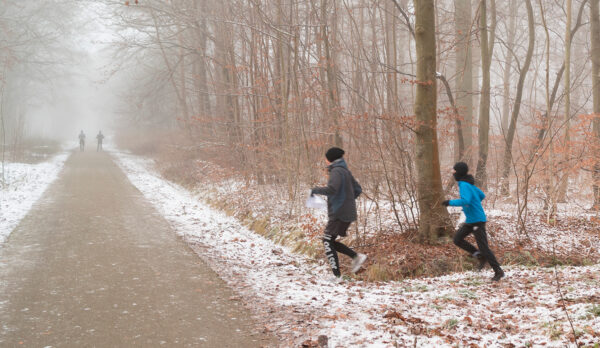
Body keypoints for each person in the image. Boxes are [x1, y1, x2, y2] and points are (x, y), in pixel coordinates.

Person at [311, 147, 367, 282]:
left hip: (339, 212)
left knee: (326, 240)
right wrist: (347, 200)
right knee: (330, 241)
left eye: (326, 158)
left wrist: (314, 190)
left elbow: (332, 189)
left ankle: (338, 275)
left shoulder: (336, 171)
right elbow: (358, 190)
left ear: (330, 159)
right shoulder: (345, 171)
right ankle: (355, 258)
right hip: (346, 211)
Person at [442, 162, 505, 281]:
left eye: (454, 171)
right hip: (471, 220)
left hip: (477, 221)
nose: (453, 173)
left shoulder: (464, 185)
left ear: (459, 172)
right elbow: (481, 195)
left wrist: (450, 202)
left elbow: (465, 200)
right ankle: (479, 255)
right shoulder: (468, 184)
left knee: (484, 247)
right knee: (457, 239)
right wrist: (474, 203)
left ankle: (498, 271)